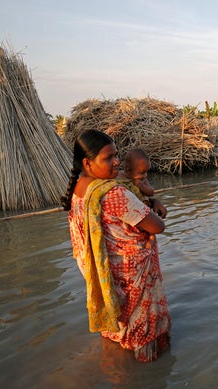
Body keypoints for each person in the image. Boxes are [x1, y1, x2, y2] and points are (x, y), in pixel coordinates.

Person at [61, 129, 171, 362]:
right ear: (87, 163)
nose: (117, 162)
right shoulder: (114, 194)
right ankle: (146, 374)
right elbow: (157, 226)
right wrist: (155, 204)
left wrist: (152, 200)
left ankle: (116, 364)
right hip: (131, 273)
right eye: (108, 158)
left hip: (104, 273)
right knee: (140, 325)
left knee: (118, 324)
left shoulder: (79, 191)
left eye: (116, 155)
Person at [117, 147, 167, 218]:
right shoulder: (118, 179)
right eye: (142, 172)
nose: (145, 175)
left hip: (144, 211)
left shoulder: (142, 181)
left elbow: (151, 192)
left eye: (146, 172)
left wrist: (141, 186)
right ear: (128, 170)